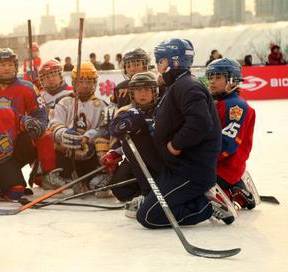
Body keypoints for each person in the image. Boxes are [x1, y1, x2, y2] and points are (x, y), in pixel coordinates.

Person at [111, 38, 238, 228]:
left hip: (190, 172)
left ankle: (206, 205)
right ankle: (149, 194)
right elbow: (164, 124)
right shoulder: (176, 86)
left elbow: (201, 123)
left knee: (148, 217)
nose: (157, 66)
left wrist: (176, 144)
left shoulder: (188, 86)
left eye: (160, 61)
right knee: (133, 138)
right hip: (174, 164)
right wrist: (131, 120)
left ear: (173, 62)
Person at [0, 48, 66, 189]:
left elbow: (40, 116)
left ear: (16, 66)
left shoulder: (27, 87)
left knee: (45, 134)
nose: (7, 68)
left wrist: (35, 125)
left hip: (18, 141)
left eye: (10, 65)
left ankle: (46, 174)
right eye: (3, 65)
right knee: (14, 189)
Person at [49, 62, 111, 193]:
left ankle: (99, 174)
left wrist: (88, 137)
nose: (84, 85)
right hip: (67, 152)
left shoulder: (101, 105)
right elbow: (54, 124)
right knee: (52, 142)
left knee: (102, 141)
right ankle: (63, 176)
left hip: (90, 152)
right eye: (80, 81)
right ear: (74, 82)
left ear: (94, 82)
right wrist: (64, 134)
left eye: (89, 81)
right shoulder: (64, 102)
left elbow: (105, 129)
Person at [206, 58, 258, 209]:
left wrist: (200, 160)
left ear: (232, 80)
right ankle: (236, 189)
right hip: (222, 165)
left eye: (218, 77)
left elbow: (227, 144)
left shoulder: (236, 106)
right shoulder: (220, 102)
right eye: (210, 77)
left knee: (192, 192)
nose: (212, 82)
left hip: (226, 167)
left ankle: (230, 190)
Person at [104, 71, 159, 203]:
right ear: (132, 93)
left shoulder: (162, 108)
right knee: (120, 190)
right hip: (135, 159)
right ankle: (140, 196)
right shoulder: (126, 111)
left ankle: (152, 194)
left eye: (146, 89)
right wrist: (114, 153)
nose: (143, 93)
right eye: (138, 90)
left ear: (154, 91)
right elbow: (114, 130)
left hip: (159, 159)